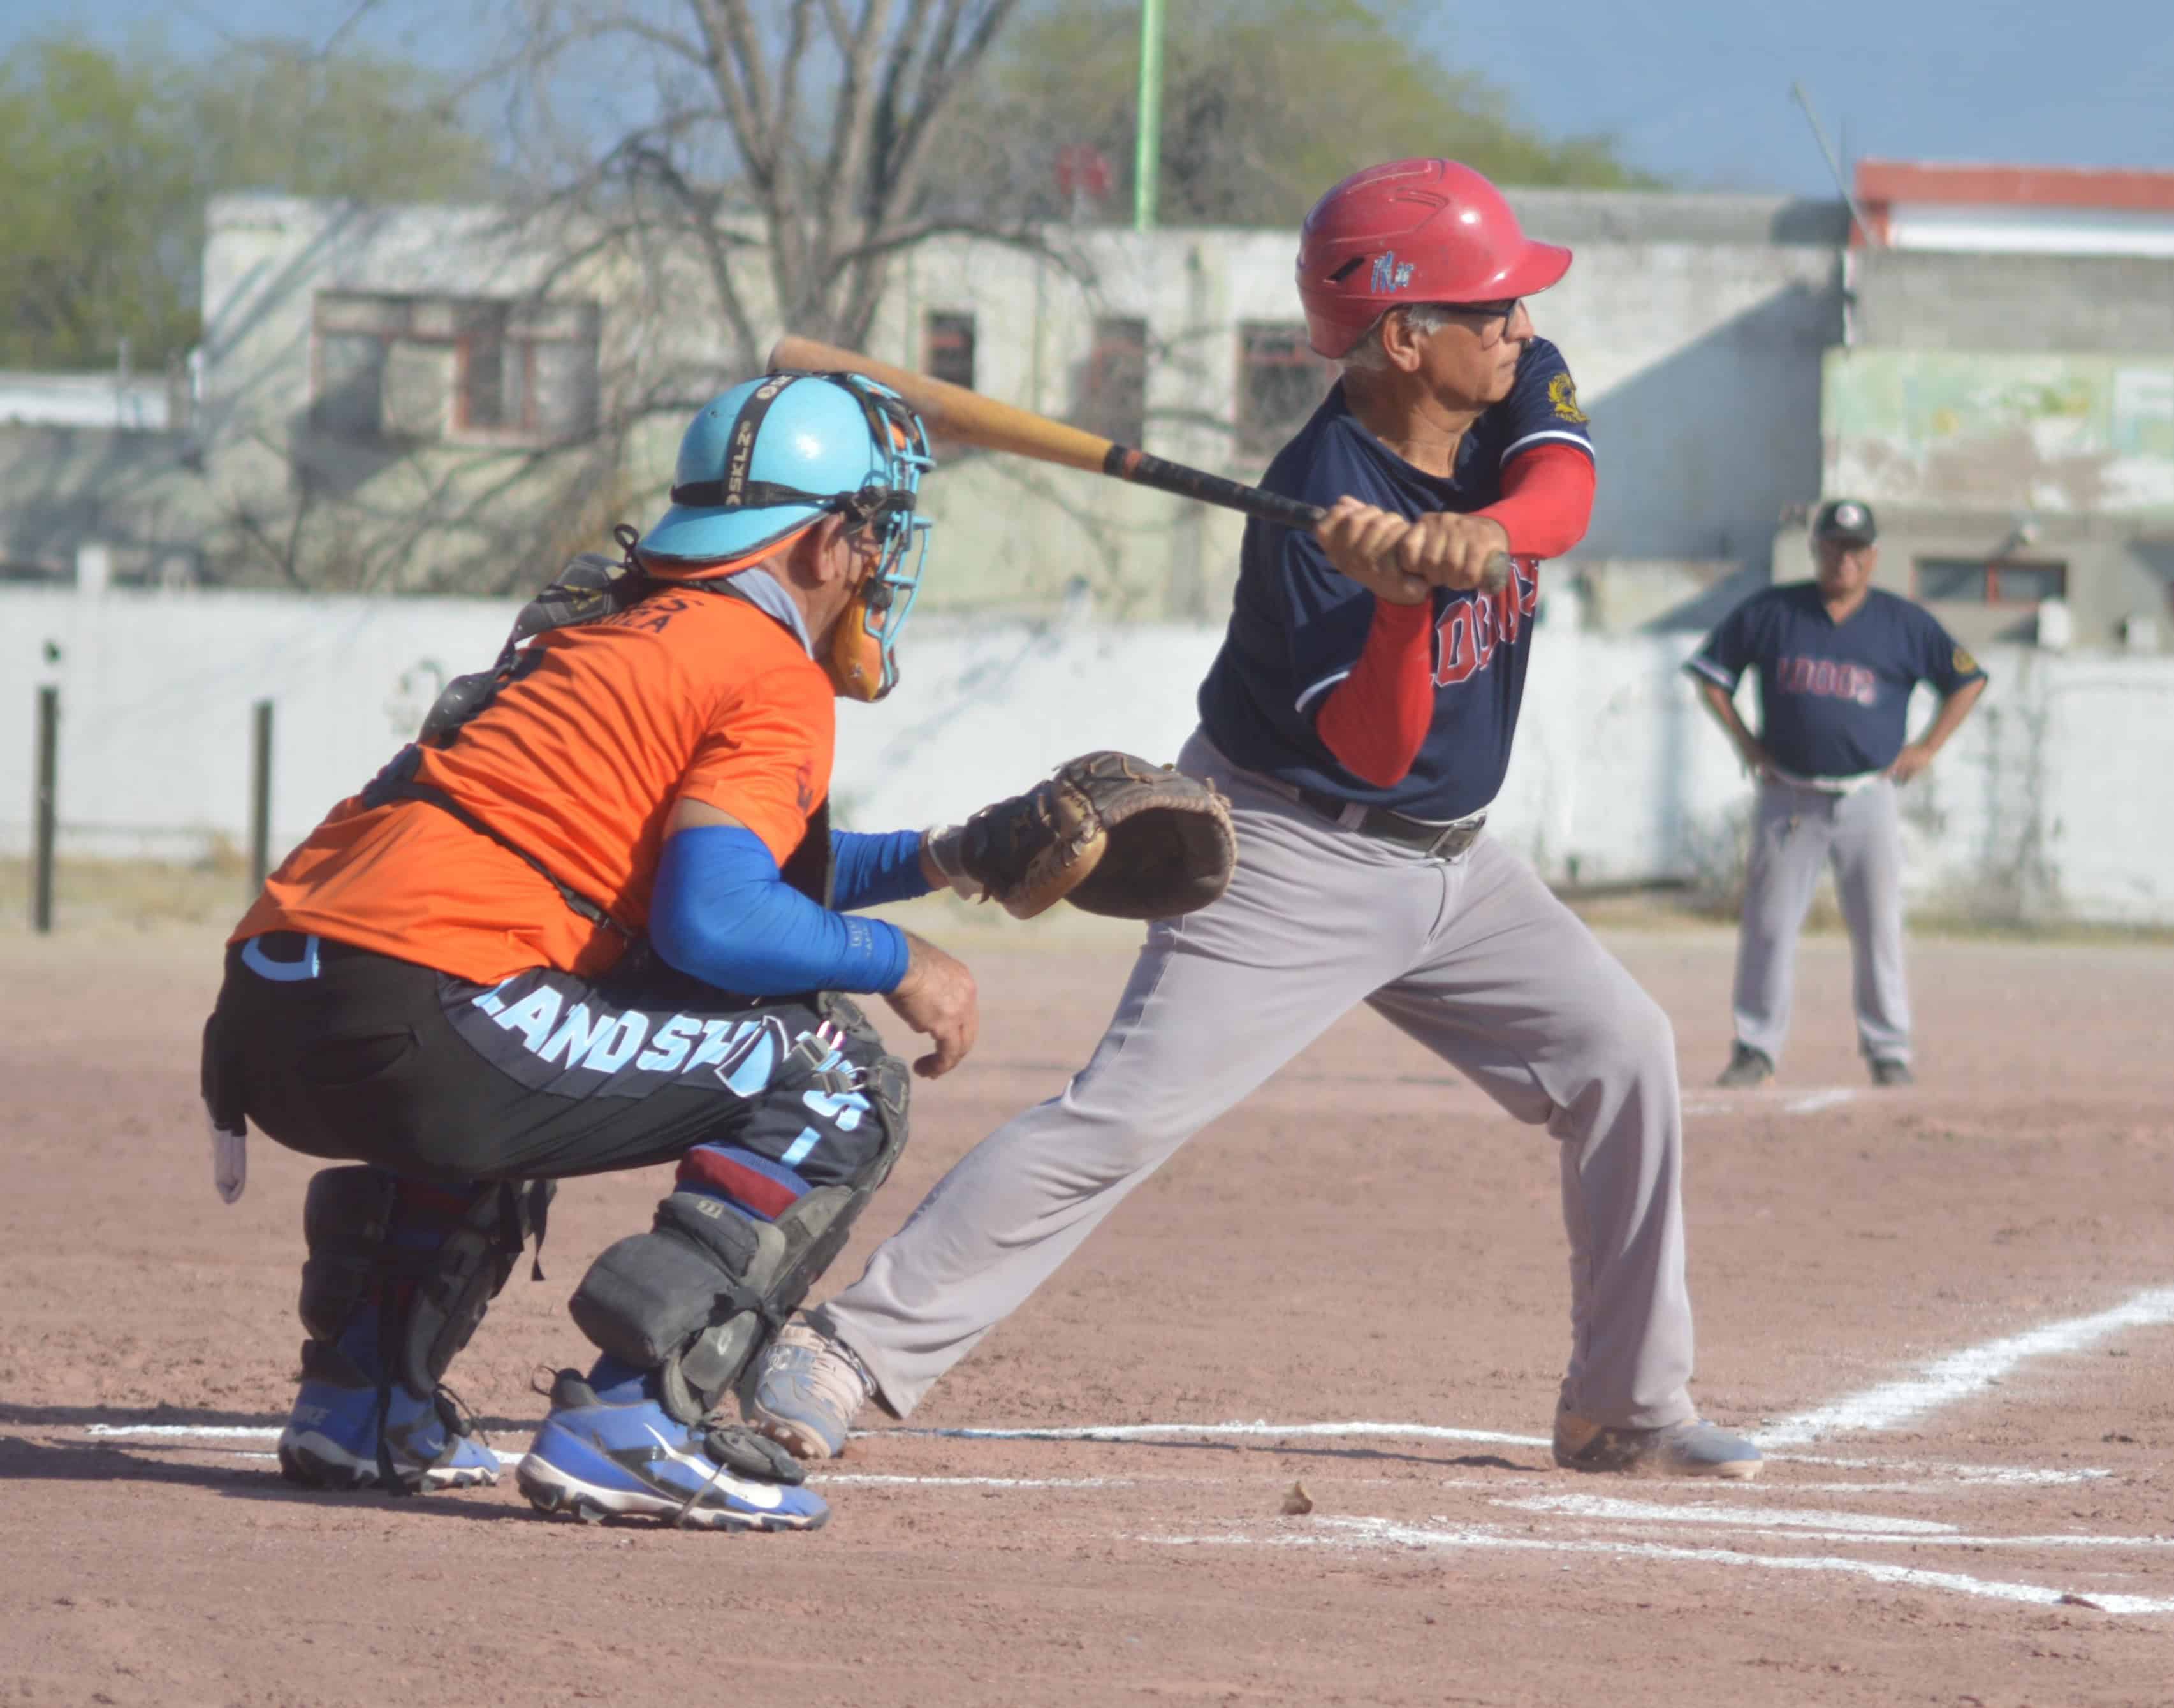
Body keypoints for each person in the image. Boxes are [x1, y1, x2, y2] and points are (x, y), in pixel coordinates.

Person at [746, 159, 1764, 1482]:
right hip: (1289, 848)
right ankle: (841, 1349)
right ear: (1404, 336)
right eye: (1489, 306)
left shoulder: (1513, 377)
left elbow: (1560, 499)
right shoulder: (1305, 515)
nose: (1520, 325)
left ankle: (1621, 1405)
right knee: (1122, 1116)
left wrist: (1487, 538)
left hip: (1458, 862)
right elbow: (1370, 744)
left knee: (1623, 1052)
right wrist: (1399, 603)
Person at [200, 370, 986, 1533]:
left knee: (541, 1008)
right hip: (429, 1012)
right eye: (871, 534)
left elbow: (704, 867)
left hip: (277, 1010)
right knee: (835, 1071)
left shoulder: (620, 621)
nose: (877, 563)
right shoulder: (766, 668)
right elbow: (714, 919)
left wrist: (954, 852)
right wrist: (899, 956)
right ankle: (637, 1421)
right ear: (823, 542)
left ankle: (365, 1402)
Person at [1684, 497, 1990, 1091]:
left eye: (1854, 550)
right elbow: (1711, 674)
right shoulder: (1775, 611)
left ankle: (1887, 1048)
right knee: (1769, 924)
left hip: (1866, 795)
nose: (1842, 560)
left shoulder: (1903, 623)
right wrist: (1746, 742)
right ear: (1815, 550)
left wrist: (1926, 748)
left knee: (1878, 924)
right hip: (1788, 796)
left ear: (1872, 557)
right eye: (1832, 547)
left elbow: (1966, 678)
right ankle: (1755, 1046)